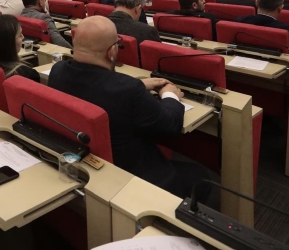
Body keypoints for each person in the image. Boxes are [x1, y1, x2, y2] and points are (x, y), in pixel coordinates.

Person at [48, 16, 208, 200]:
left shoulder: (57, 71)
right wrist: (169, 94)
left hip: (83, 163)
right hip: (131, 178)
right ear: (112, 51)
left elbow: (95, 84)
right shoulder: (127, 90)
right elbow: (170, 125)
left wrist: (139, 84)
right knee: (199, 176)